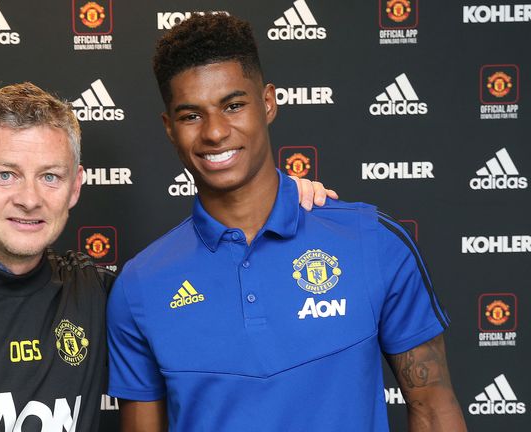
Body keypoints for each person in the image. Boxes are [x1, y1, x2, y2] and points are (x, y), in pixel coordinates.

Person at [0, 82, 334, 431]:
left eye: (50, 176)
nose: (29, 198)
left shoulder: (102, 293)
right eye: (5, 174)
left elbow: (210, 289)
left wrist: (279, 202)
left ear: (76, 187)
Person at [106, 14, 467, 432]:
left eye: (234, 105)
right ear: (170, 128)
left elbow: (433, 409)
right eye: (191, 116)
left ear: (269, 103)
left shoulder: (371, 242)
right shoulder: (139, 286)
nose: (216, 132)